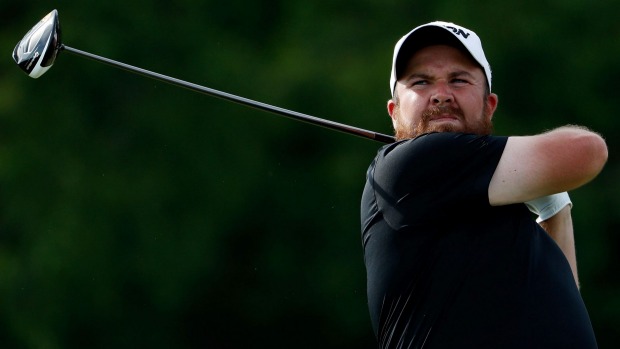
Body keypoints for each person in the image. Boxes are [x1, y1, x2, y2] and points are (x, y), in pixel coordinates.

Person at [360, 21, 608, 348]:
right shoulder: (409, 165)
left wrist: (554, 207)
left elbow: (562, 298)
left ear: (489, 104)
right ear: (394, 113)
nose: (440, 96)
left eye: (459, 80)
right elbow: (587, 150)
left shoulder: (503, 207)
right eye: (421, 82)